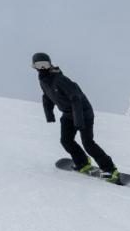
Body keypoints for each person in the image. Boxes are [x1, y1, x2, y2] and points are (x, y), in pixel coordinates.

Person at [32, 52, 122, 183]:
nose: (42, 68)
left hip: (83, 113)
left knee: (88, 144)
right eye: (38, 65)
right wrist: (49, 114)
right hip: (68, 114)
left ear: (50, 64)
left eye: (44, 64)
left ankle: (110, 170)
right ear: (34, 67)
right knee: (66, 140)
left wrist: (78, 119)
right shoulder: (43, 81)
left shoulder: (60, 80)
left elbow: (76, 98)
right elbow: (46, 96)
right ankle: (82, 162)